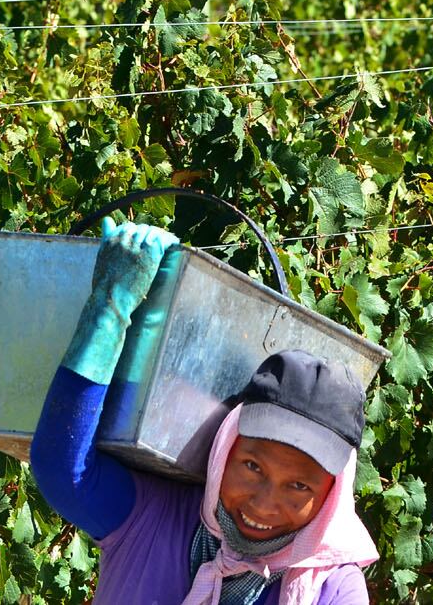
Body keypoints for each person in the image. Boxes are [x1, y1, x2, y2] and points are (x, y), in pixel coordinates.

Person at [31, 219, 377, 604]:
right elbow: (64, 472)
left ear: (331, 496)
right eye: (252, 466)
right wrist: (110, 306)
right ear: (224, 450)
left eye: (299, 486)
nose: (263, 503)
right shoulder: (157, 518)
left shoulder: (333, 589)